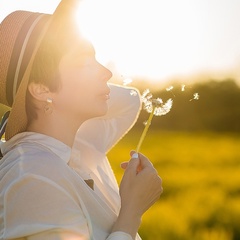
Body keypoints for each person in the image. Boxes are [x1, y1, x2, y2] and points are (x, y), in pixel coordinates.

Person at [0, 0, 163, 239]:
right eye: (85, 62)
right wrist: (131, 213)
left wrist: (68, 89)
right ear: (41, 89)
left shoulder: (78, 145)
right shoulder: (32, 176)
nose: (107, 73)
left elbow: (130, 100)